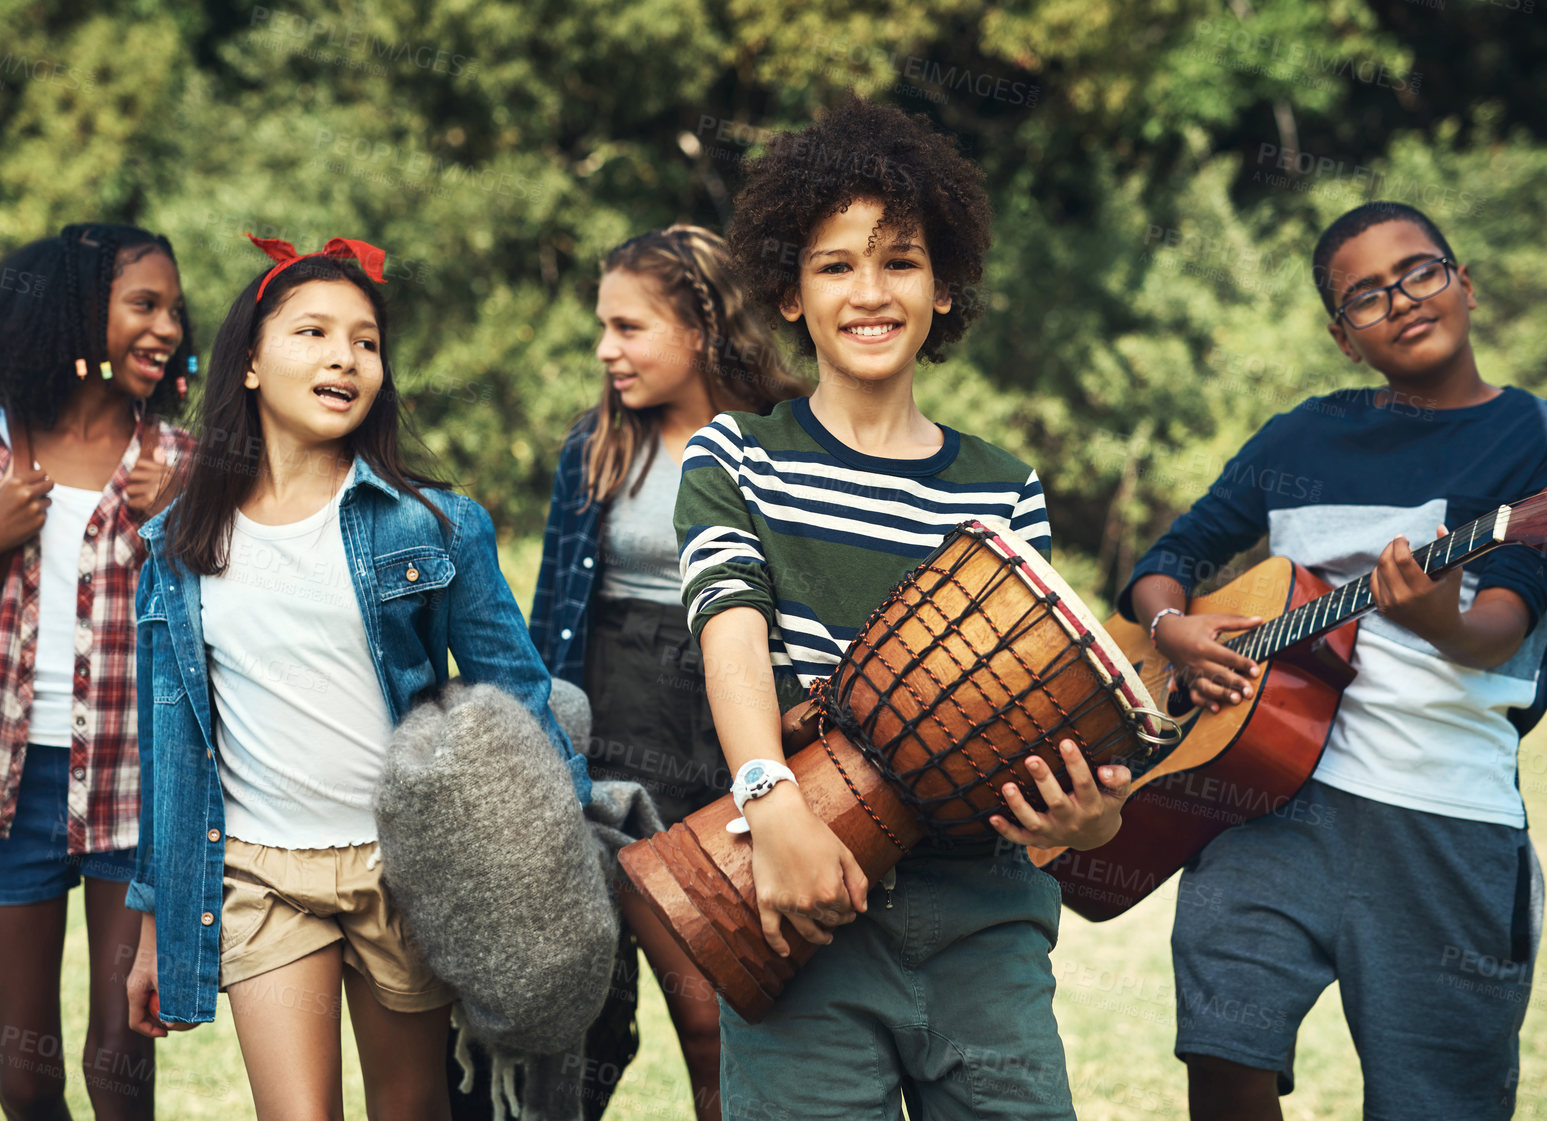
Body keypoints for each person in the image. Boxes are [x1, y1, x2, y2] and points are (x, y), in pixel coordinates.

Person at [676, 95, 1130, 1120]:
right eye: (834, 264)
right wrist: (770, 801)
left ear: (942, 287)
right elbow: (731, 637)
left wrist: (1087, 817)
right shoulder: (736, 456)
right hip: (797, 903)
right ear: (789, 292)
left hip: (984, 924)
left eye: (900, 261)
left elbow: (1034, 706)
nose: (868, 292)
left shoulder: (1002, 487)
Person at [1120, 201, 1547, 1120]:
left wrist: (1436, 622)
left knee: (1437, 1100)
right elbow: (1165, 563)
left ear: (1463, 281)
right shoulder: (1300, 436)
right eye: (1366, 297)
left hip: (1444, 821)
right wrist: (1172, 627)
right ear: (1343, 338)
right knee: (1222, 1054)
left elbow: (1497, 624)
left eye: (1420, 272)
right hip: (1259, 798)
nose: (1402, 301)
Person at [121, 236, 589, 1121]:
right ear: (250, 363)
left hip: (406, 871)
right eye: (312, 332)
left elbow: (518, 696)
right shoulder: (178, 546)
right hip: (260, 874)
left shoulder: (437, 526)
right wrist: (153, 919)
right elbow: (169, 748)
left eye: (366, 341)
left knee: (409, 1108)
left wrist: (569, 849)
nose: (345, 356)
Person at [0, 223, 196, 1119]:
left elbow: (229, 630)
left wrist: (181, 525)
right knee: (25, 1075)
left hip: (137, 782)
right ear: (73, 311)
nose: (169, 327)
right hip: (11, 785)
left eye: (175, 309)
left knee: (121, 1062)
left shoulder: (177, 462)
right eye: (144, 304)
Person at [525, 224, 804, 1119]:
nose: (606, 350)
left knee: (719, 1011)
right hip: (612, 731)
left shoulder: (787, 444)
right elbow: (549, 618)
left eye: (628, 327)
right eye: (602, 327)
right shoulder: (595, 450)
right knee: (585, 1014)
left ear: (701, 327)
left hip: (737, 733)